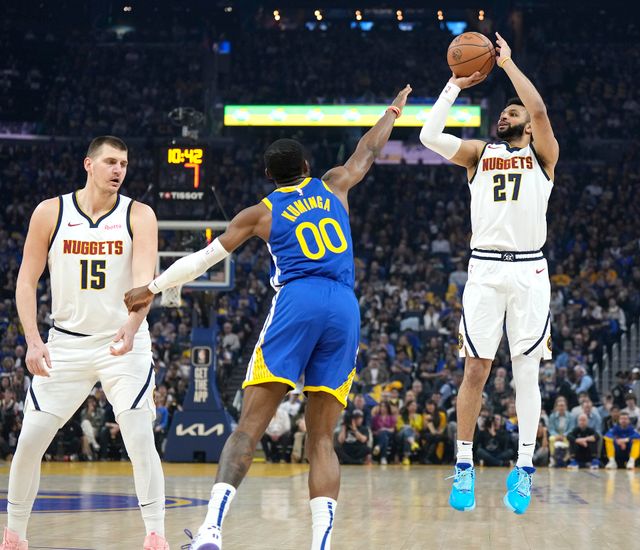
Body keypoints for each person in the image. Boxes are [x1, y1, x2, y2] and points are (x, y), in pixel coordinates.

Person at [124, 86, 412, 550]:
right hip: (343, 306)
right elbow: (369, 149)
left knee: (248, 428)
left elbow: (201, 261)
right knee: (321, 438)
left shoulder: (261, 212)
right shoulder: (334, 184)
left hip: (297, 300)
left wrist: (151, 288)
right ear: (305, 169)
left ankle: (211, 532)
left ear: (268, 175)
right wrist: (392, 111)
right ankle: (321, 545)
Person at [5, 136, 167, 550]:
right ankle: (14, 536)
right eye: (111, 162)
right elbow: (26, 281)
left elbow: (144, 284)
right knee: (30, 441)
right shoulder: (51, 212)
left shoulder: (139, 214)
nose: (118, 170)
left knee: (137, 430)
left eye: (124, 164)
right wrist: (33, 339)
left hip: (122, 340)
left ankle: (155, 535)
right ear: (88, 165)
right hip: (66, 343)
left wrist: (132, 327)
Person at [420, 32, 558, 515]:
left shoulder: (542, 157)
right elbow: (428, 137)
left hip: (529, 271)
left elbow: (539, 113)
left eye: (512, 113)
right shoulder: (480, 153)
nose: (506, 115)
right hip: (483, 269)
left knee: (526, 374)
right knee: (475, 369)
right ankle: (464, 463)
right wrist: (454, 86)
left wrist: (509, 66)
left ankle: (523, 469)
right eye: (503, 112)